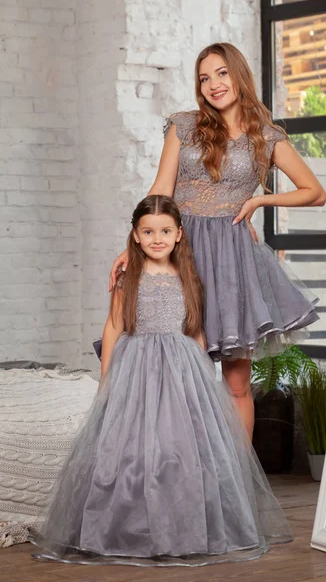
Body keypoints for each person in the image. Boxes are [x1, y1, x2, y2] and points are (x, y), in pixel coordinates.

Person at [30, 195, 292, 567]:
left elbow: (196, 329)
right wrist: (107, 377)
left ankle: (184, 527)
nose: (157, 239)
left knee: (180, 447)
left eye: (165, 231)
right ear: (135, 236)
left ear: (179, 234)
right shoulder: (129, 276)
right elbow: (115, 326)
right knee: (133, 448)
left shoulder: (188, 276)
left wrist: (204, 371)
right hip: (137, 364)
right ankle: (126, 527)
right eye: (148, 231)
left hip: (184, 365)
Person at [109, 43, 326, 439]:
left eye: (221, 73)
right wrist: (131, 246)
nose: (213, 84)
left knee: (237, 382)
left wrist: (260, 198)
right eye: (204, 78)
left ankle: (237, 484)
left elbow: (314, 191)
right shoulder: (185, 126)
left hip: (231, 257)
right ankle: (187, 473)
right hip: (182, 251)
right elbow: (162, 190)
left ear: (239, 74)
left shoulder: (266, 136)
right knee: (181, 372)